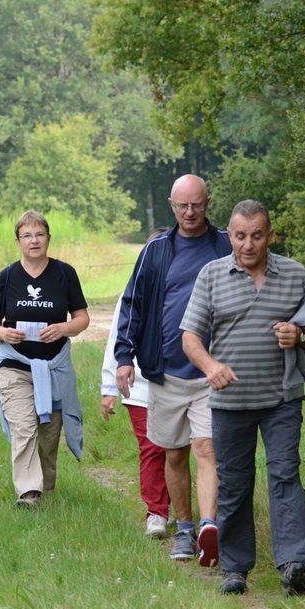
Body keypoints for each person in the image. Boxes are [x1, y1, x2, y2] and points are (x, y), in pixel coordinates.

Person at [180, 199, 305, 596]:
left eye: (257, 235)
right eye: (240, 235)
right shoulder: (211, 275)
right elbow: (190, 337)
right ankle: (235, 568)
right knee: (234, 482)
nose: (248, 244)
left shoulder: (295, 275)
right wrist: (211, 367)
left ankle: (295, 564)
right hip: (230, 402)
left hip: (282, 398)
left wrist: (299, 335)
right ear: (230, 234)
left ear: (270, 235)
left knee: (285, 475)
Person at [115, 174, 232, 566]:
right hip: (165, 370)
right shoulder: (156, 251)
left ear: (208, 202)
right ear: (171, 204)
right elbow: (133, 304)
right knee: (175, 454)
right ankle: (183, 528)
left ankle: (208, 527)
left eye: (196, 205)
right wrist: (123, 358)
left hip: (210, 372)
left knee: (206, 448)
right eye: (182, 205)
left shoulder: (224, 246)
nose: (189, 212)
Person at [0, 210, 90, 509]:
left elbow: (82, 318)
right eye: (27, 235)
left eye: (39, 234)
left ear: (48, 238)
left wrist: (63, 328)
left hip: (53, 367)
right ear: (18, 241)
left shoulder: (65, 274)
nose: (34, 240)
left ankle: (46, 485)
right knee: (24, 428)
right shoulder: (6, 277)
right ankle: (29, 493)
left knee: (48, 434)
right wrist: (3, 333)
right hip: (15, 366)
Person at [100, 228, 171, 538]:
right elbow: (116, 338)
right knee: (152, 448)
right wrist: (108, 388)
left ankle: (192, 515)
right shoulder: (131, 295)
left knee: (184, 450)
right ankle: (156, 512)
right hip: (139, 385)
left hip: (183, 382)